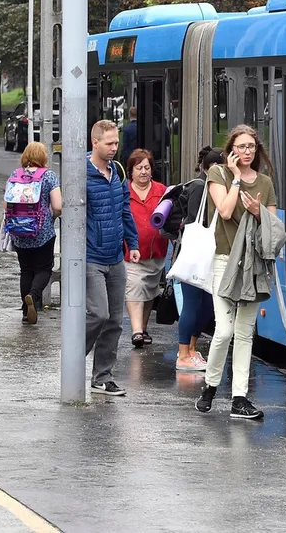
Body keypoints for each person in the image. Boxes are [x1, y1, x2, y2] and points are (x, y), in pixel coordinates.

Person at [196, 124, 280, 421]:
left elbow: (273, 226)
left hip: (252, 264)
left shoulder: (265, 183)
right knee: (224, 331)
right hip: (224, 259)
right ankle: (210, 385)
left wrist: (258, 212)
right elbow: (226, 211)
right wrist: (235, 180)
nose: (247, 152)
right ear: (231, 149)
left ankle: (239, 398)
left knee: (245, 333)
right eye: (241, 146)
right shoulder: (217, 174)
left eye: (251, 147)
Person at [85, 120, 139, 397]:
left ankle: (102, 377)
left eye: (116, 142)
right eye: (109, 143)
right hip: (91, 256)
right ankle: (72, 359)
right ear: (95, 143)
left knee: (115, 320)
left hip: (116, 256)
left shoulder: (117, 171)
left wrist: (133, 243)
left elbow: (125, 209)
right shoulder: (81, 174)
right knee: (99, 314)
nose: (114, 148)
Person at [166, 147, 224, 372]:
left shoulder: (207, 185)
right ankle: (183, 354)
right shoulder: (200, 187)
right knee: (193, 304)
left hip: (204, 255)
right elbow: (195, 221)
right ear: (214, 168)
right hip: (195, 254)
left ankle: (190, 349)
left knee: (206, 306)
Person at [10, 142, 61, 325]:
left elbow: (6, 204)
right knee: (44, 268)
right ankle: (33, 295)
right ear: (43, 157)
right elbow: (57, 206)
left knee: (26, 270)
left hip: (19, 230)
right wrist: (52, 217)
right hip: (42, 231)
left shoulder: (15, 175)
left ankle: (26, 312)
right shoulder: (49, 176)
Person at [125, 149, 168, 347]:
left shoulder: (162, 191)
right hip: (131, 252)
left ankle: (142, 328)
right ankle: (136, 331)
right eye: (139, 168)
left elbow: (172, 219)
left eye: (147, 167)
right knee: (134, 287)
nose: (143, 171)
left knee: (149, 290)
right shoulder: (124, 191)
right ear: (131, 171)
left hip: (156, 251)